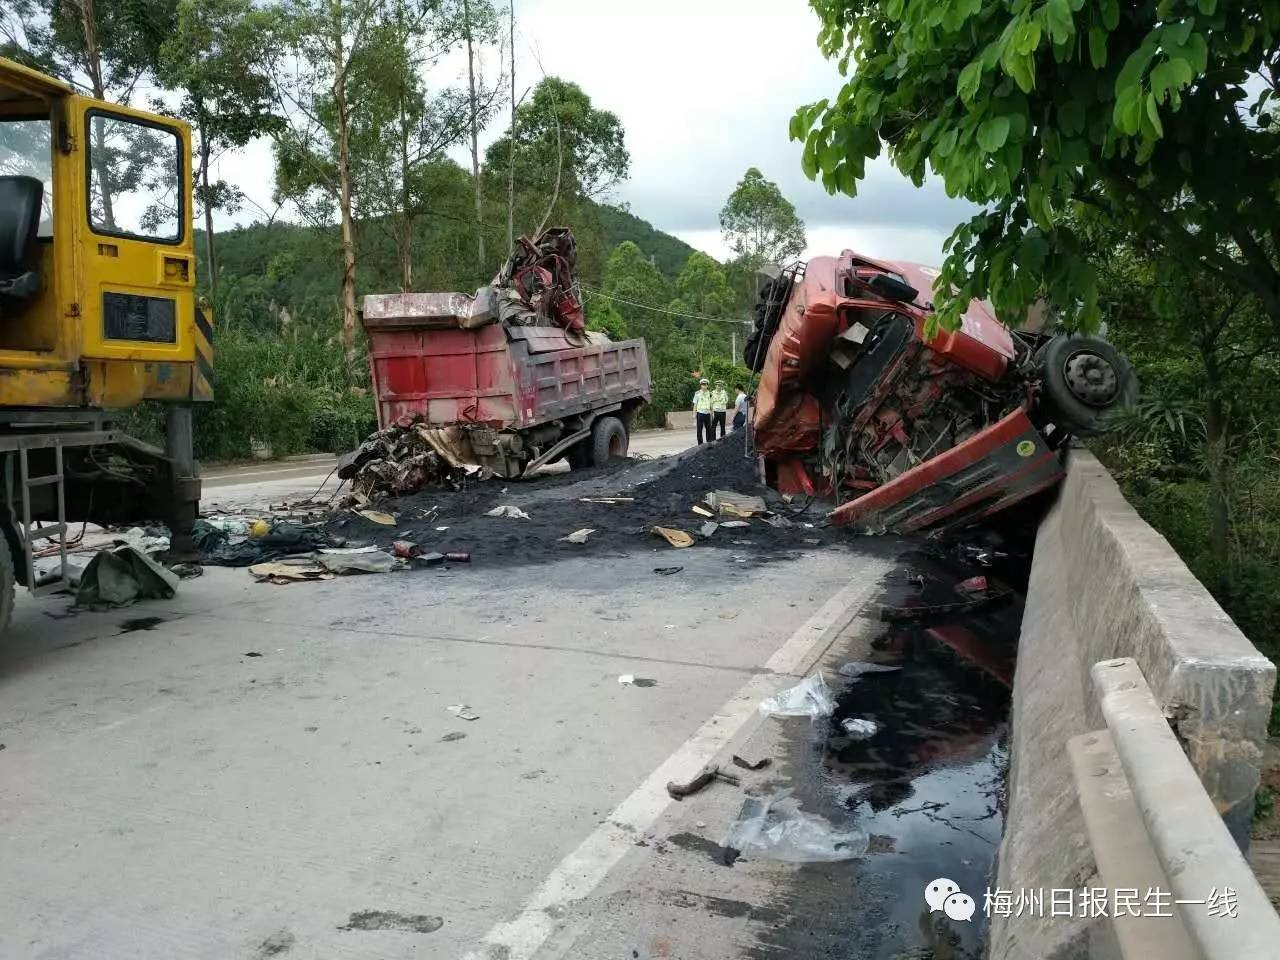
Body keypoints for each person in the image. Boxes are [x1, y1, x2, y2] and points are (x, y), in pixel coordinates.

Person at [692, 378, 713, 444]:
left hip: (707, 414)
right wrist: (694, 414)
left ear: (707, 385)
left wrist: (712, 414)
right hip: (700, 413)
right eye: (702, 384)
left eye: (705, 384)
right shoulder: (697, 393)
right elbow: (695, 404)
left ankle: (709, 443)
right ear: (700, 385)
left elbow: (711, 404)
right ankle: (700, 444)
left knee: (709, 429)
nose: (704, 386)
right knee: (699, 430)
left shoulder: (710, 394)